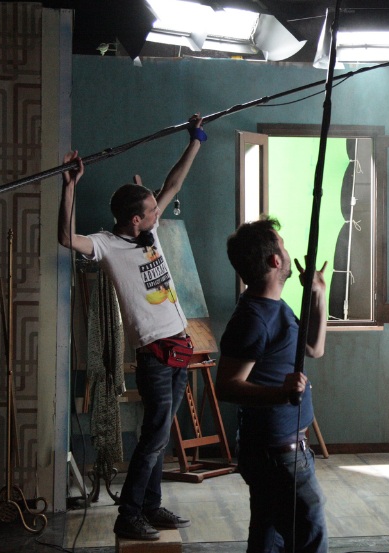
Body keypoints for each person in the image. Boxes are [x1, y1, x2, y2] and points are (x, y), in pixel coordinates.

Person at [57, 114, 206, 541]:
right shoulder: (106, 245)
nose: (158, 211)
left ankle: (151, 506)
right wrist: (70, 186)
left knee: (159, 436)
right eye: (152, 210)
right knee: (154, 437)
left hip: (179, 347)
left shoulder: (148, 234)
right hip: (155, 356)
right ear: (135, 219)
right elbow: (67, 239)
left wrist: (195, 140)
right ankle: (129, 514)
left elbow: (173, 183)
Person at [215, 215, 330, 553]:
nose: (288, 252)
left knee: (269, 538)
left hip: (281, 448)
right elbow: (226, 386)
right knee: (309, 536)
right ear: (275, 261)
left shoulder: (275, 307)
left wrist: (318, 294)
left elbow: (314, 348)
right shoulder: (253, 318)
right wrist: (280, 393)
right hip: (276, 453)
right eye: (283, 246)